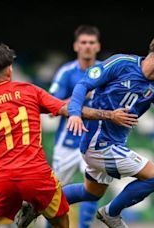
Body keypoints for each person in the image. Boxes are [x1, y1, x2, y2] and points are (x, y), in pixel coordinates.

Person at [0, 43, 139, 228]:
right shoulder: (29, 91)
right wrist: (109, 115)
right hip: (38, 176)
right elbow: (69, 109)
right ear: (10, 70)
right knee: (61, 222)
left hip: (5, 178)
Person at [64, 33, 154, 228]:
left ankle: (38, 203)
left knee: (90, 193)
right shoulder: (121, 63)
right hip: (98, 142)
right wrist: (74, 113)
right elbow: (83, 84)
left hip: (112, 144)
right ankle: (110, 213)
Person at [48, 24, 101, 228]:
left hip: (96, 141)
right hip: (68, 141)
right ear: (76, 46)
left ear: (98, 46)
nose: (87, 46)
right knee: (52, 195)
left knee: (93, 189)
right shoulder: (66, 72)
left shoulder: (106, 71)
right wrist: (79, 97)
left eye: (91, 42)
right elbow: (52, 108)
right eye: (84, 42)